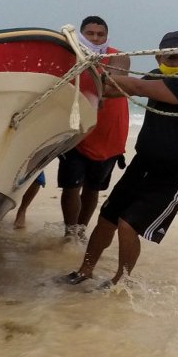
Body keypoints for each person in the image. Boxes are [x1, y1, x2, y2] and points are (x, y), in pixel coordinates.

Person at [57, 30, 178, 290]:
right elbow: (115, 90)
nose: (175, 61)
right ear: (159, 58)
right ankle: (85, 270)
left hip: (173, 175)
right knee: (107, 218)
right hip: (142, 165)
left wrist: (99, 70)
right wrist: (85, 81)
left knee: (128, 225)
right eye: (170, 57)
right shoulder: (156, 75)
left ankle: (121, 282)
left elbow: (137, 87)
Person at [51, 16, 131, 239]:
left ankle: (81, 230)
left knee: (93, 188)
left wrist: (97, 83)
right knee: (71, 185)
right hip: (77, 132)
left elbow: (115, 83)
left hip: (109, 135)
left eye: (100, 34)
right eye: (90, 34)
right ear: (81, 35)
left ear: (106, 36)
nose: (95, 38)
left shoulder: (119, 57)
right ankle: (70, 232)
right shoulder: (69, 56)